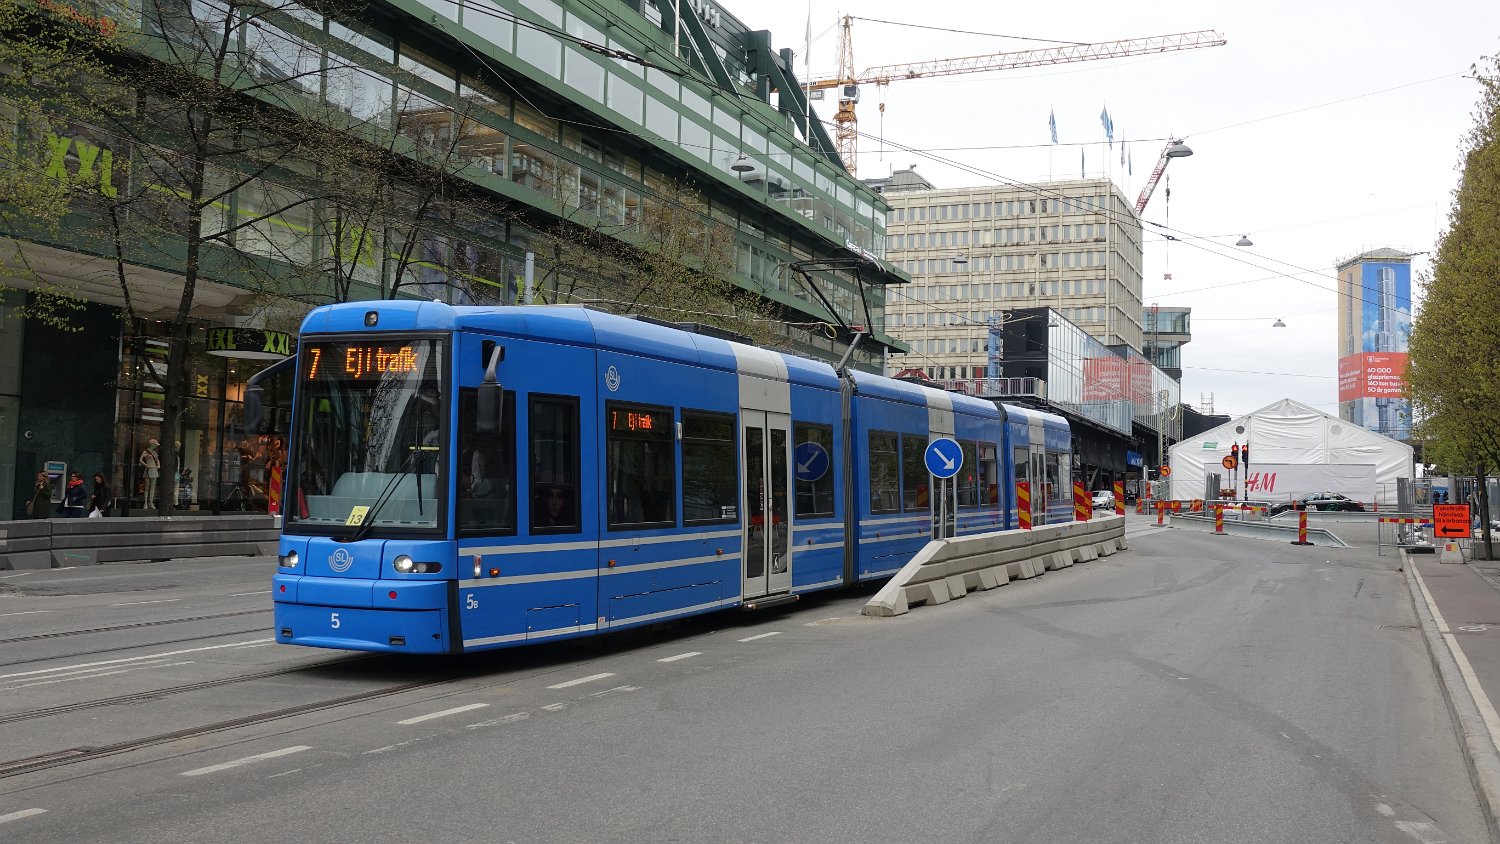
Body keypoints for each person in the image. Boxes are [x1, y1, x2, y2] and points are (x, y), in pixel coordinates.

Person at [140, 438, 160, 508]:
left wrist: (158, 465)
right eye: (155, 444)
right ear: (152, 444)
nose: (156, 446)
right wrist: (146, 465)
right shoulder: (145, 452)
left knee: (152, 488)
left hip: (154, 470)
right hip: (148, 469)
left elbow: (157, 460)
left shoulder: (154, 452)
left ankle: (151, 502)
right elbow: (140, 460)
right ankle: (145, 503)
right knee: (147, 487)